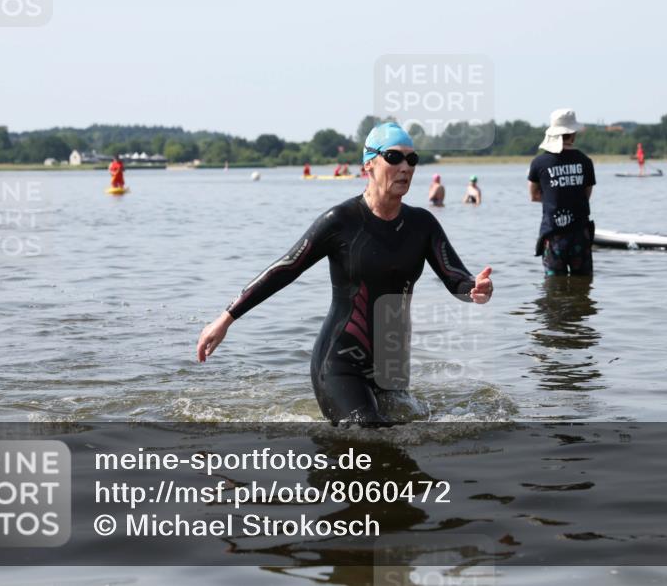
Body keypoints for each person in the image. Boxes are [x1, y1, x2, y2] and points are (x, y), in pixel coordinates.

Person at [196, 122, 494, 426]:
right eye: (394, 157)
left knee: (396, 452)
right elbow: (285, 268)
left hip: (392, 365)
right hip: (340, 361)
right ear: (369, 164)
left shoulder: (423, 225)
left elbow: (456, 278)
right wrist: (226, 318)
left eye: (412, 159)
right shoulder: (341, 221)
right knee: (367, 432)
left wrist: (476, 288)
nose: (405, 167)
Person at [528, 108, 596, 276]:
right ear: (573, 134)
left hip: (553, 234)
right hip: (580, 233)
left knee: (553, 287)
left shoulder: (539, 162)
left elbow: (534, 196)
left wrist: (554, 198)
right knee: (583, 284)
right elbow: (586, 195)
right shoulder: (585, 161)